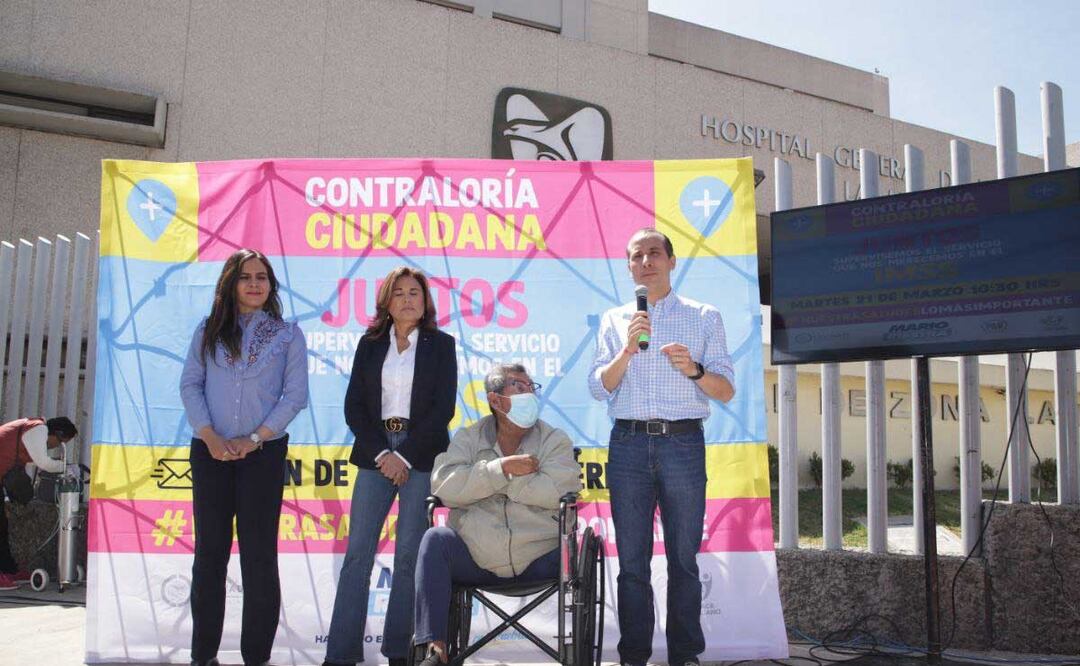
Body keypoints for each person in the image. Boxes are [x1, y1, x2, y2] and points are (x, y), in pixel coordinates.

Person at [588, 228, 735, 666]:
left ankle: (685, 654)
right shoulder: (615, 319)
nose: (646, 262)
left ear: (672, 261)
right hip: (628, 444)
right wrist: (627, 351)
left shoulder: (704, 316)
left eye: (654, 253)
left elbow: (726, 390)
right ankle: (634, 655)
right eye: (637, 256)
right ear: (629, 267)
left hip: (682, 444)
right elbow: (598, 387)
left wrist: (694, 370)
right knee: (632, 563)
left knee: (683, 560)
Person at [180, 248, 309, 666]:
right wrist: (209, 436)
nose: (254, 284)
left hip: (263, 454)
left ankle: (257, 657)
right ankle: (203, 656)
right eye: (245, 277)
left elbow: (295, 396)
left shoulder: (288, 334)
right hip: (210, 453)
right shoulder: (208, 330)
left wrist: (255, 439)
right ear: (231, 283)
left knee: (259, 557)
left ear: (271, 285)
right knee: (209, 555)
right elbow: (190, 385)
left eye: (262, 277)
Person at [323, 267, 457, 666]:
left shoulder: (441, 345)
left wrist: (405, 456)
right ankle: (341, 655)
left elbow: (443, 410)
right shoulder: (369, 344)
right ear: (386, 302)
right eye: (398, 293)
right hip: (375, 454)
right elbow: (354, 407)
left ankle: (400, 652)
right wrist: (384, 454)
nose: (407, 299)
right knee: (357, 555)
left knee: (410, 556)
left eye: (414, 292)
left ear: (425, 301)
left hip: (420, 454)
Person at [411, 363, 582, 666]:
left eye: (531, 387)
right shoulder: (468, 438)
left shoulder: (554, 440)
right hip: (478, 556)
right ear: (496, 400)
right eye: (519, 386)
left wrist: (503, 480)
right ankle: (435, 648)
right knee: (434, 539)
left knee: (571, 547)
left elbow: (559, 489)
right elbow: (444, 485)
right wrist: (499, 469)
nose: (529, 393)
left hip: (540, 556)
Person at [0, 416, 77, 590]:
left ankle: (8, 570)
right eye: (60, 442)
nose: (56, 447)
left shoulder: (31, 431)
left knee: (2, 526)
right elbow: (44, 462)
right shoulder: (38, 429)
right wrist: (67, 467)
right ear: (57, 433)